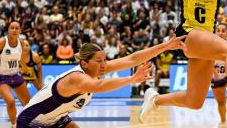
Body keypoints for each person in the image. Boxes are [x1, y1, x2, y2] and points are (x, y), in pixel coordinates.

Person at [17, 36, 186, 128]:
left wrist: (165, 46)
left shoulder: (96, 69)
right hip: (30, 121)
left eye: (105, 60)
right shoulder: (76, 78)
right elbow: (99, 86)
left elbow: (132, 58)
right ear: (84, 63)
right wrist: (132, 79)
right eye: (99, 61)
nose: (104, 65)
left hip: (56, 119)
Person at [0, 21, 31, 128]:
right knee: (11, 101)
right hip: (1, 77)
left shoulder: (21, 43)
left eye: (17, 28)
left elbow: (20, 58)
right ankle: (13, 125)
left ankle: (27, 123)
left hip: (16, 75)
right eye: (12, 28)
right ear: (8, 30)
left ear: (20, 30)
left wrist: (25, 67)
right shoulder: (2, 42)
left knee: (29, 103)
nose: (14, 30)